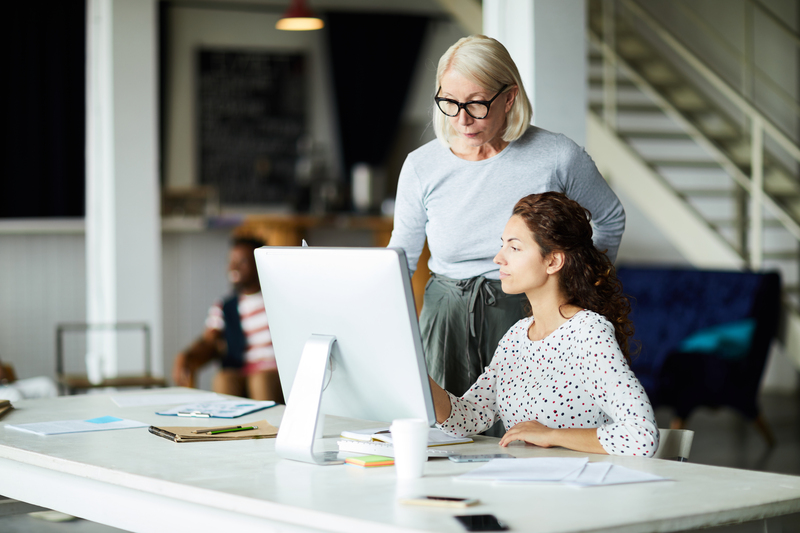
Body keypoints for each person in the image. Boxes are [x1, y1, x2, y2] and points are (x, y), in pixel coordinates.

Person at [387, 35, 626, 409]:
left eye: (477, 104)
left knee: (524, 431)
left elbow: (609, 218)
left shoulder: (557, 156)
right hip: (445, 318)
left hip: (529, 311)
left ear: (509, 97)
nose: (461, 119)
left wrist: (576, 286)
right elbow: (400, 256)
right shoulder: (421, 166)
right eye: (449, 103)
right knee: (443, 426)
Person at [428, 192, 658, 456]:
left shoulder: (588, 332)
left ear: (553, 261)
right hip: (527, 487)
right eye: (502, 245)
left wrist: (551, 435)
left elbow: (642, 436)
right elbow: (468, 417)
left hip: (580, 490)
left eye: (514, 248)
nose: (498, 259)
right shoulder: (517, 336)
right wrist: (419, 377)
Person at [172, 236, 283, 403]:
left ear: (259, 265)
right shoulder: (224, 306)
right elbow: (209, 340)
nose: (234, 267)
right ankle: (230, 427)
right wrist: (187, 356)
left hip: (272, 371)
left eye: (242, 261)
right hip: (240, 368)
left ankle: (270, 428)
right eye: (231, 260)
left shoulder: (275, 301)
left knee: (261, 381)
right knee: (223, 379)